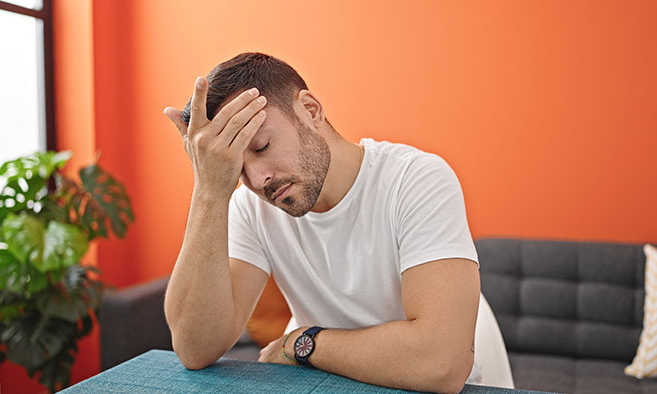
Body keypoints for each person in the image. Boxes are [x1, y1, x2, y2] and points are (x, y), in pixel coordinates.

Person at [163, 52, 481, 394]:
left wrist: (303, 342)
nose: (258, 179)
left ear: (311, 110)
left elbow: (440, 363)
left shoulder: (415, 180)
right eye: (236, 167)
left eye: (262, 146)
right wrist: (209, 191)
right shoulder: (250, 206)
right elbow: (195, 349)